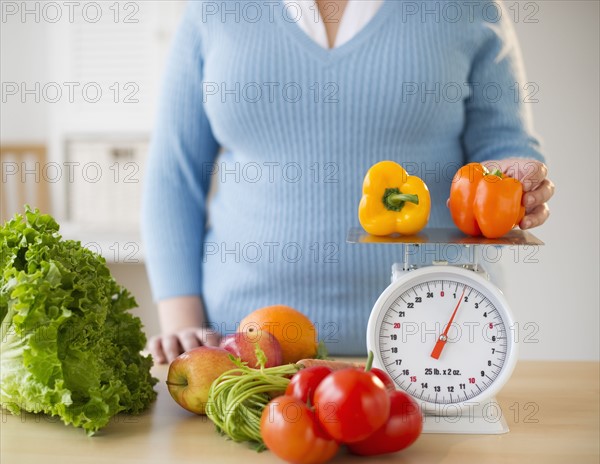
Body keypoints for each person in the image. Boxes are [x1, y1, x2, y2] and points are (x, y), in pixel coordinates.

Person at [141, 0, 555, 363]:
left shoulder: (467, 6)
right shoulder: (212, 9)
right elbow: (173, 174)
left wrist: (521, 180)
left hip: (437, 343)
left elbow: (503, 142)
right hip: (244, 347)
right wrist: (184, 329)